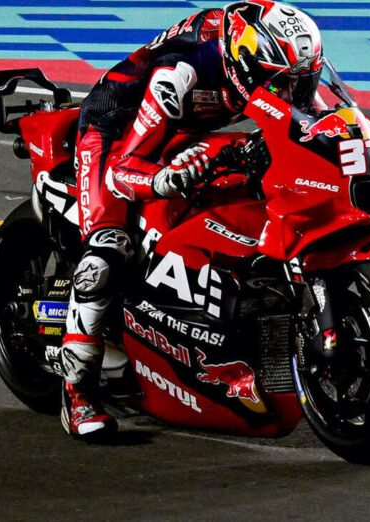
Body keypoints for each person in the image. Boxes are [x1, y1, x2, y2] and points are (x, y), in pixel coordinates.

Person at [55, 0, 325, 439]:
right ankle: (77, 394)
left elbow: (315, 125)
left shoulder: (276, 64)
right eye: (281, 82)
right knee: (106, 251)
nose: (291, 92)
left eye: (302, 80)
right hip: (118, 130)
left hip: (191, 126)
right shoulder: (180, 74)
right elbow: (124, 172)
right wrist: (166, 178)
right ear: (245, 66)